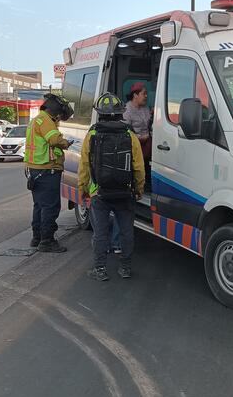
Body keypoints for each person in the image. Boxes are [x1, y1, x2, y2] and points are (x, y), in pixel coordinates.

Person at [78, 93, 145, 281]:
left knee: (100, 232)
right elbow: (138, 166)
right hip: (125, 192)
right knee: (126, 231)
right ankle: (125, 268)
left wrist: (82, 188)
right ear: (120, 113)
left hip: (100, 193)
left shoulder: (92, 134)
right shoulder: (129, 135)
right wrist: (139, 189)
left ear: (99, 113)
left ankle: (100, 269)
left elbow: (84, 165)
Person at [26, 93, 74, 253]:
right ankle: (47, 241)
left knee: (39, 205)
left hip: (36, 169)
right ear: (55, 111)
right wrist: (66, 143)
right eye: (60, 116)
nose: (59, 119)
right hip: (47, 168)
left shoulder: (37, 119)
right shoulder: (46, 121)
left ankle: (37, 237)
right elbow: (54, 140)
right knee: (51, 206)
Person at [123, 82, 152, 162]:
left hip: (147, 145)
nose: (146, 96)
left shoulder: (145, 108)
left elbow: (149, 124)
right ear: (135, 95)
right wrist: (140, 138)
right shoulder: (127, 111)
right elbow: (125, 133)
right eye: (144, 94)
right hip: (134, 146)